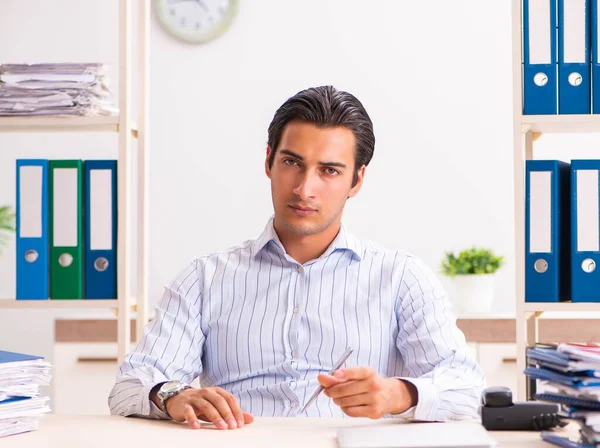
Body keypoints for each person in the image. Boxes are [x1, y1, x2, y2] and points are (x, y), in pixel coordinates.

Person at [108, 86, 485, 430]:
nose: (305, 189)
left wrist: (397, 395)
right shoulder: (206, 278)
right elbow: (129, 387)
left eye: (329, 171)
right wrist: (174, 395)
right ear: (269, 161)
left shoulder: (401, 277)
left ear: (356, 180)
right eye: (292, 163)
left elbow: (468, 388)